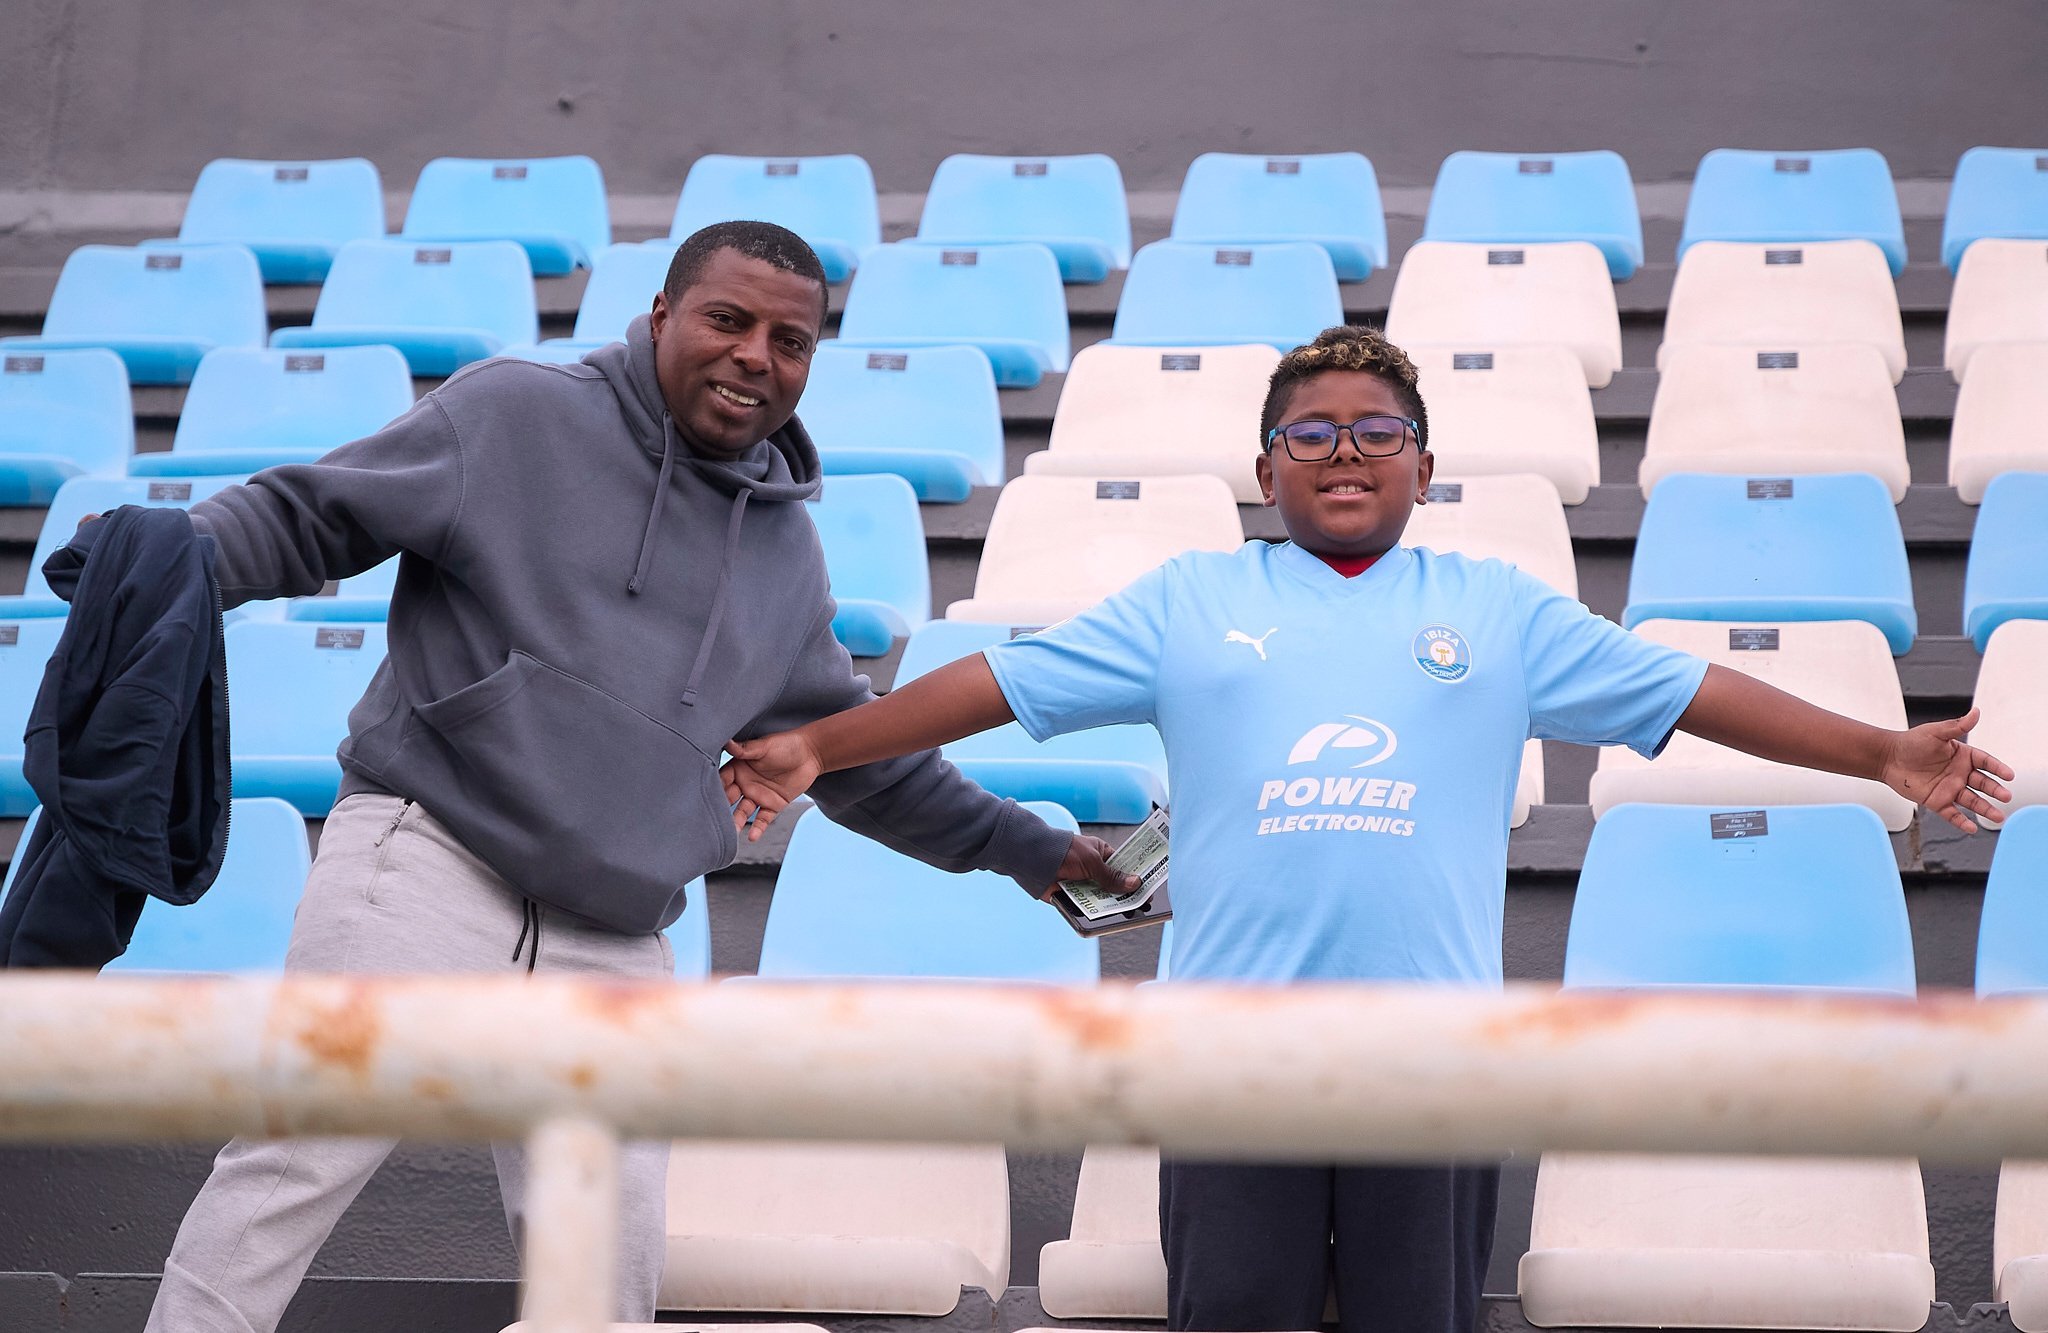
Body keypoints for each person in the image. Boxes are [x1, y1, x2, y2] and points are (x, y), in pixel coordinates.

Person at [720, 324, 2013, 1333]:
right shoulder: (1188, 600)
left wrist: (1882, 752)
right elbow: (996, 684)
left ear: (1423, 468)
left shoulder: (1498, 608)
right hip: (1226, 1060)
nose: (1344, 451)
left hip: (1430, 1060)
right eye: (1311, 433)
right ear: (1266, 468)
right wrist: (825, 743)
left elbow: (1693, 693)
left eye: (1377, 431)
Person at [139, 219, 1126, 1333]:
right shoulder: (514, 412)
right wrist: (162, 562)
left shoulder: (783, 555)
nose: (755, 356)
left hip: (609, 930)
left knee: (606, 1274)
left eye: (790, 342)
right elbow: (313, 513)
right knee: (296, 1160)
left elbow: (856, 758)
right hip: (427, 860)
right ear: (661, 316)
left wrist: (1034, 851)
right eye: (727, 320)